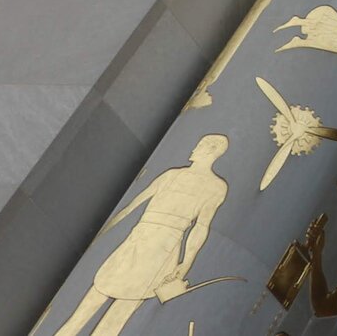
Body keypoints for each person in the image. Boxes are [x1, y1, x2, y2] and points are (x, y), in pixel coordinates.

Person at [51, 135, 230, 336]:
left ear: (209, 150)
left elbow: (200, 227)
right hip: (140, 242)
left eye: (199, 145)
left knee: (113, 318)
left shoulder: (215, 187)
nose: (193, 149)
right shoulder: (172, 175)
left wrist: (186, 263)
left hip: (160, 250)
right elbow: (131, 206)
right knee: (94, 302)